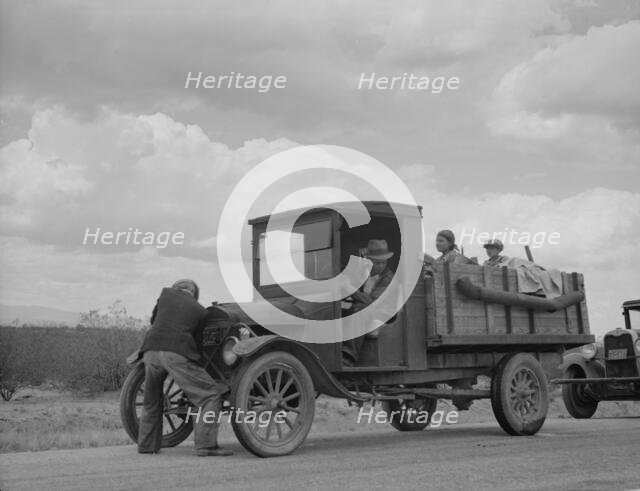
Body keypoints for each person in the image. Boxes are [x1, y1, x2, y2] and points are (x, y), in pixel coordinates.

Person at [138, 279, 233, 457]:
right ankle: (206, 445)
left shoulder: (165, 295)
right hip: (175, 353)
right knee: (211, 395)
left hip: (150, 350)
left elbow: (154, 320)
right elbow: (197, 345)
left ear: (176, 289)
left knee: (151, 400)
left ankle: (146, 446)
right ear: (194, 294)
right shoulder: (199, 310)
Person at [341, 239, 395, 366]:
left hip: (385, 314)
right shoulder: (364, 273)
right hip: (368, 309)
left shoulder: (388, 278)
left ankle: (348, 356)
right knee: (337, 310)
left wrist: (350, 290)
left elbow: (373, 302)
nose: (381, 266)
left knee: (359, 309)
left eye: (383, 262)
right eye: (377, 262)